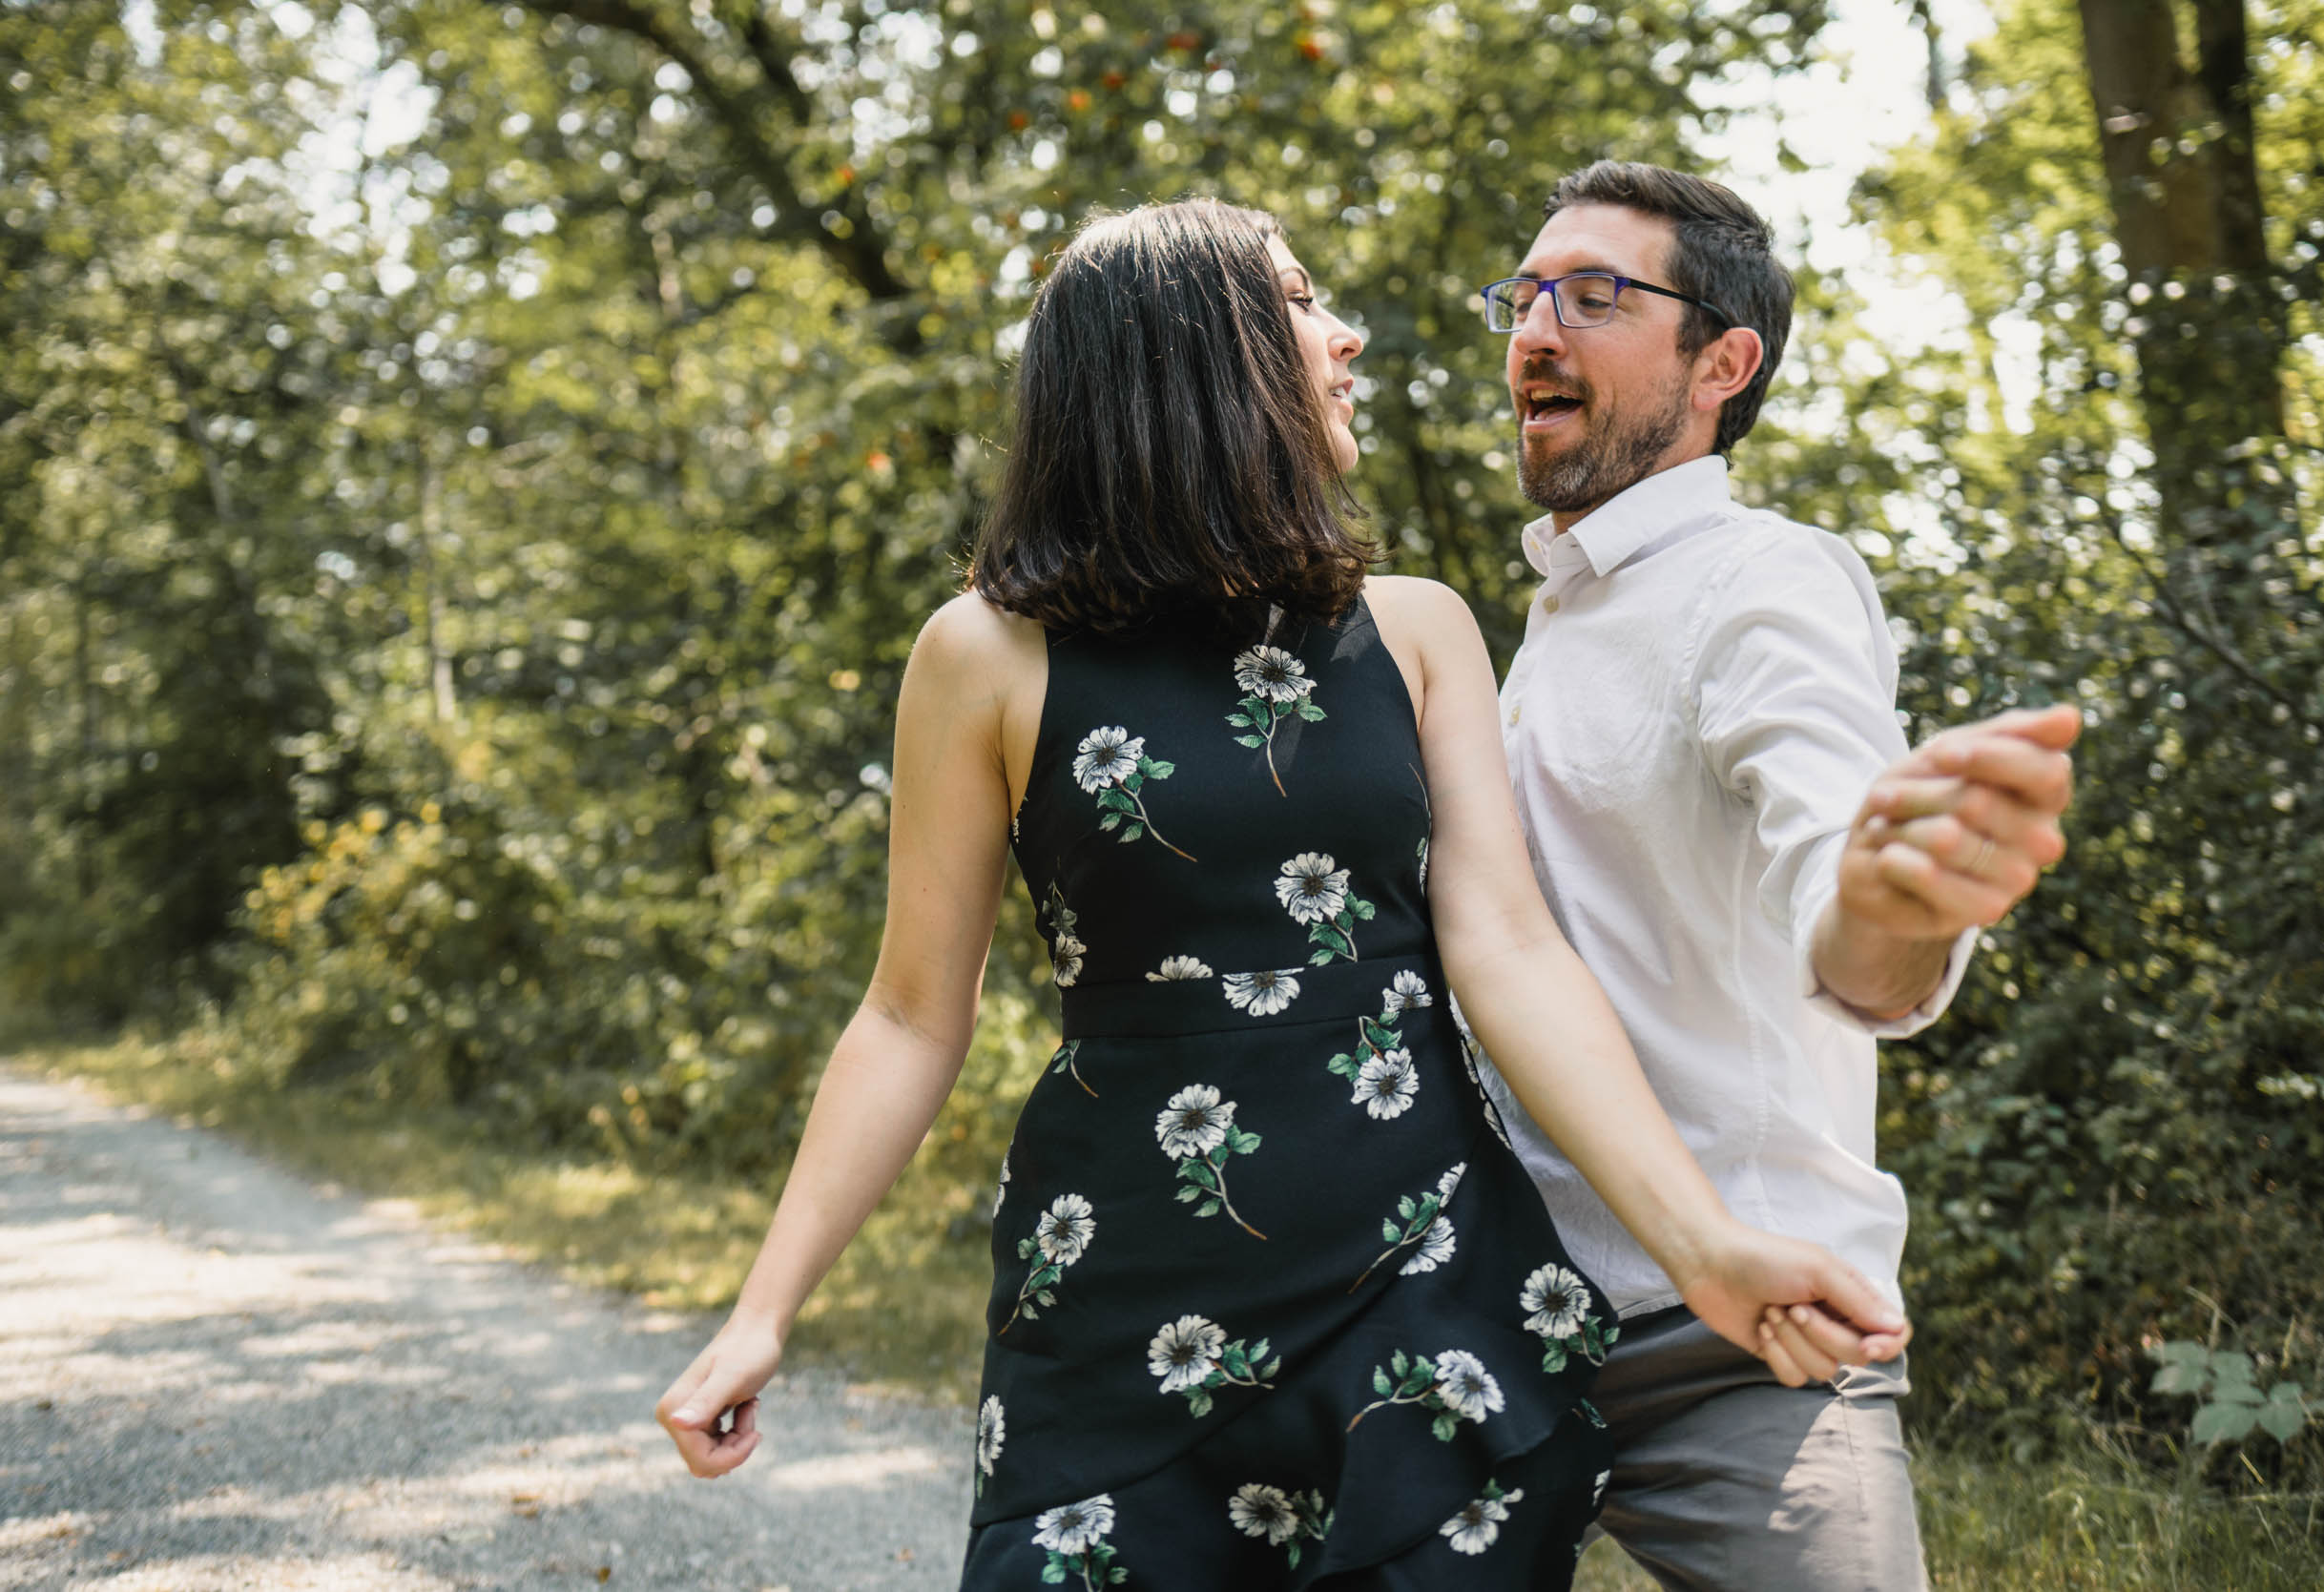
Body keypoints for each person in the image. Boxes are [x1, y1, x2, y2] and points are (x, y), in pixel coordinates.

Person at [654, 196, 1907, 1589]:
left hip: (1420, 1283)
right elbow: (906, 1016)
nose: (1347, 333)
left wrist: (1708, 1241)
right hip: (1120, 1298)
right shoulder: (984, 656)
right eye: (1304, 300)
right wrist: (766, 1308)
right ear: (1189, 349)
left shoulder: (1419, 629)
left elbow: (1508, 951)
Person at [1470, 159, 2081, 1590]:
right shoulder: (1550, 623)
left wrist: (1891, 899)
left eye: (1597, 295)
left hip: (1747, 1345)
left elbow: (1849, 893)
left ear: (1721, 363)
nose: (1536, 329)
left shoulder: (1765, 581)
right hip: (1489, 1326)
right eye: (1528, 293)